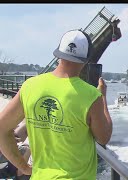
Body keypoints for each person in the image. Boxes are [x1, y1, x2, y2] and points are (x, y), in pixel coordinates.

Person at [0, 29, 113, 179]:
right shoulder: (92, 95)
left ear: (58, 53)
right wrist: (103, 96)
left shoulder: (30, 86)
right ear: (86, 60)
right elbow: (103, 138)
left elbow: (2, 129)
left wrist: (24, 168)